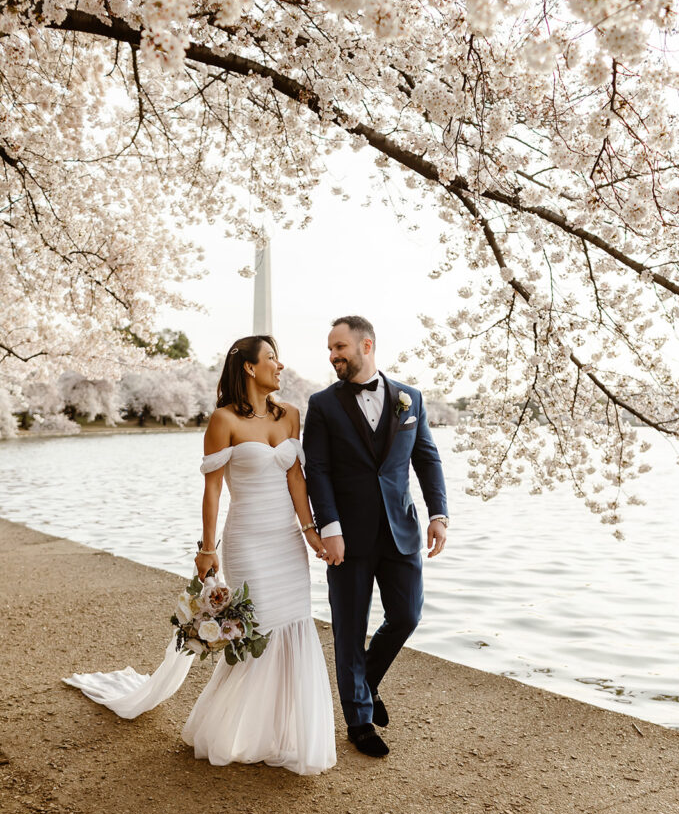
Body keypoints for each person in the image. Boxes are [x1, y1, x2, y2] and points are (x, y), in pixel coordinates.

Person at [64, 335, 337, 777]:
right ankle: (230, 731)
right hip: (247, 538)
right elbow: (212, 491)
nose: (280, 366)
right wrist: (207, 549)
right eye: (272, 358)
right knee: (258, 630)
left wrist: (310, 533)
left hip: (286, 541)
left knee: (294, 627)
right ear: (249, 367)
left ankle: (286, 734)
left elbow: (297, 481)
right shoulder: (223, 420)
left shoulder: (291, 416)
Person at [303, 316, 448, 758]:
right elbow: (319, 470)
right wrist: (330, 529)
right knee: (350, 628)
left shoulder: (410, 398)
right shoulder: (323, 405)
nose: (333, 356)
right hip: (346, 537)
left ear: (367, 345)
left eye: (340, 347)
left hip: (401, 529)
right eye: (330, 349)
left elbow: (426, 458)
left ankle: (363, 681)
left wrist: (439, 514)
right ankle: (359, 722)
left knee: (407, 615)